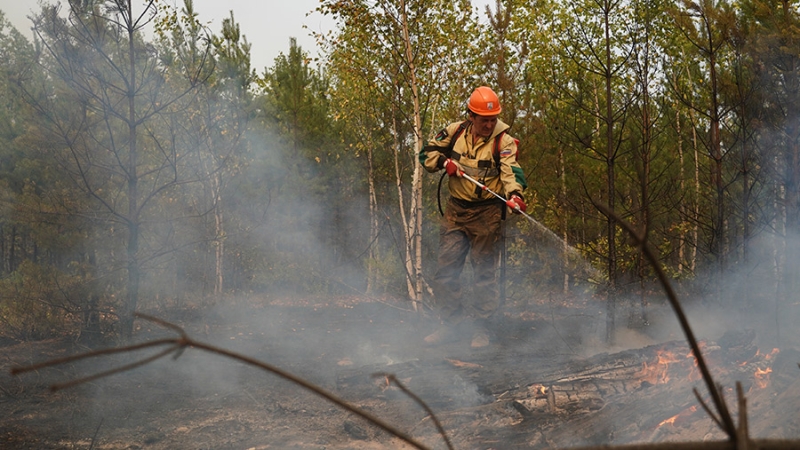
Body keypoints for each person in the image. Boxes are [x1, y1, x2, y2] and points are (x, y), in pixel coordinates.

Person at [419, 86, 528, 348]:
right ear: (471, 116)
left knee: (484, 274)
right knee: (446, 272)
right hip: (456, 212)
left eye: (493, 119)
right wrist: (445, 163)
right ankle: (451, 326)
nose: (489, 125)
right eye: (484, 120)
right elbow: (426, 153)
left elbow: (511, 171)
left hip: (487, 213)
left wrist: (515, 196)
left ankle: (482, 330)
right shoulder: (454, 132)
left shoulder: (503, 142)